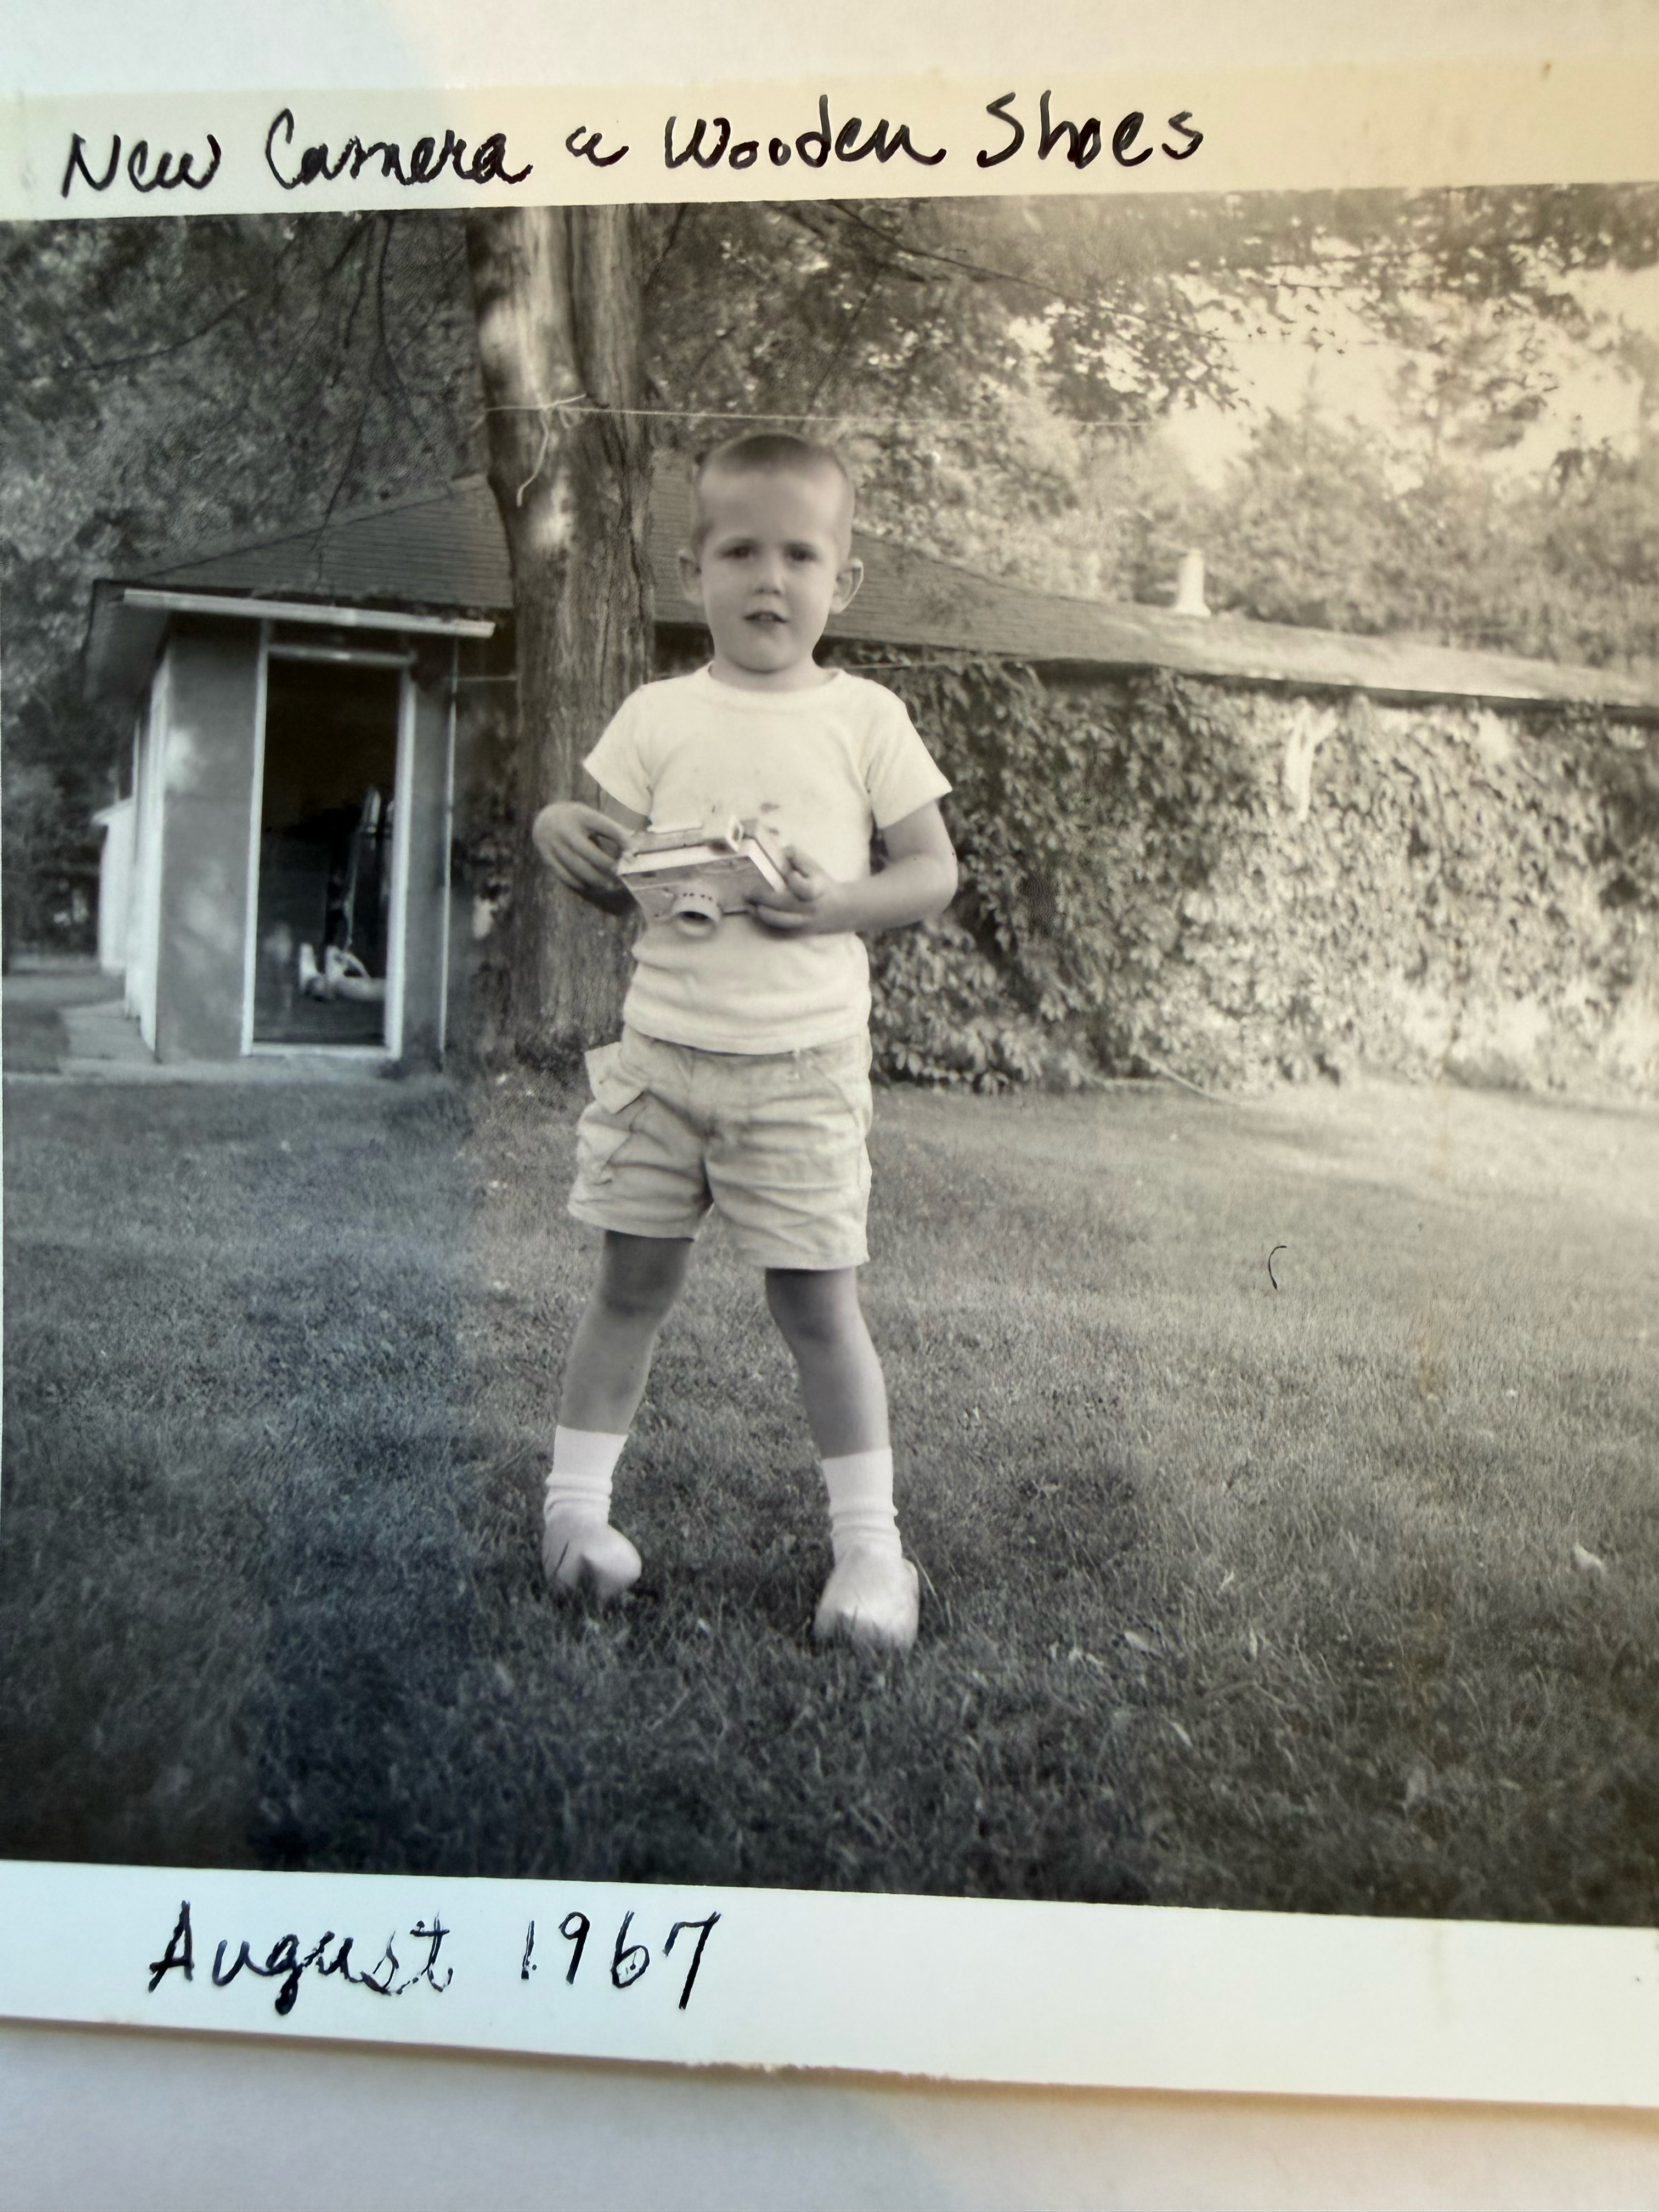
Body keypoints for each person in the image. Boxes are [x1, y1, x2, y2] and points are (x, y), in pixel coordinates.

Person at [531, 431, 958, 1652]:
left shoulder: (866, 717)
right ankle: (574, 1524)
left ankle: (873, 1554)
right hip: (662, 1056)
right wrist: (571, 828)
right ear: (693, 569)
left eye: (800, 555)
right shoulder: (660, 714)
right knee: (629, 1288)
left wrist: (832, 904)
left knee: (819, 1305)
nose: (769, 580)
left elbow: (931, 871)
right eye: (739, 552)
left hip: (802, 1068)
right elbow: (620, 865)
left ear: (844, 581)